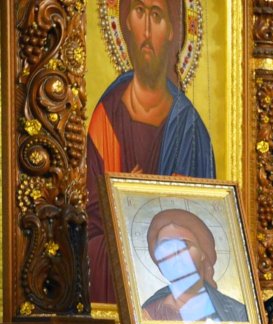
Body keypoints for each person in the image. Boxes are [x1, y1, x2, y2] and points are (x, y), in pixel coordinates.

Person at [87, 0, 217, 305]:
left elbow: (207, 220)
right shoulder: (107, 115)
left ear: (173, 29)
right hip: (115, 280)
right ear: (125, 23)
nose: (146, 29)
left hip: (177, 273)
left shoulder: (191, 129)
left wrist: (149, 198)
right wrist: (118, 198)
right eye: (139, 12)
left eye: (157, 16)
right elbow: (88, 217)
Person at [141, 208, 248, 323]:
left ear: (202, 253)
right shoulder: (149, 314)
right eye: (167, 246)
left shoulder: (236, 312)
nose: (175, 253)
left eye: (185, 245)